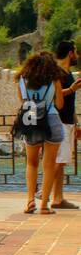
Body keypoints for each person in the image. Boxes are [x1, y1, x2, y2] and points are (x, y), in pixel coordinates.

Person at [16, 51, 67, 214]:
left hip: (29, 118)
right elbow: (59, 104)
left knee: (31, 162)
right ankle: (44, 205)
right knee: (49, 164)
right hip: (51, 117)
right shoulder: (54, 79)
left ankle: (30, 201)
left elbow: (22, 101)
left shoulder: (22, 79)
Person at [51, 40, 81, 209]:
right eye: (75, 52)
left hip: (67, 120)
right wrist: (71, 89)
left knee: (62, 160)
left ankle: (58, 198)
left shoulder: (67, 72)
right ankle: (43, 190)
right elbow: (53, 95)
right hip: (58, 120)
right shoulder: (57, 73)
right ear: (70, 53)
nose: (77, 55)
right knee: (60, 160)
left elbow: (70, 101)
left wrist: (76, 123)